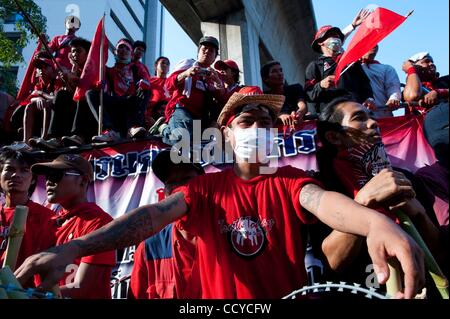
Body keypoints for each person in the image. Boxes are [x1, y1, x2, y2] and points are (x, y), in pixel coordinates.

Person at [15, 91, 424, 299]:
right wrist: (73, 249)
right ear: (226, 134)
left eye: (267, 120)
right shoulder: (203, 189)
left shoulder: (288, 180)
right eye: (248, 120)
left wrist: (373, 221)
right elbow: (151, 217)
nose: (260, 127)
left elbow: (324, 204)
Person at [314, 96, 442, 293]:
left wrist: (420, 215)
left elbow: (441, 253)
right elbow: (331, 263)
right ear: (334, 137)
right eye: (359, 118)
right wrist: (363, 203)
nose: (373, 123)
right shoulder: (321, 186)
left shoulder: (405, 178)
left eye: (371, 116)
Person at [30, 154, 116, 298]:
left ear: (83, 180)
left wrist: (31, 295)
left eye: (56, 175)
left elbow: (83, 287)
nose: (49, 181)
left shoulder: (99, 223)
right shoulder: (49, 223)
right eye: (48, 176)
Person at [128, 148, 204, 299]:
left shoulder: (227, 237)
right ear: (165, 193)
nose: (179, 189)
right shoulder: (149, 248)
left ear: (205, 184)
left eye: (186, 180)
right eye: (171, 183)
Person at [149, 36, 225, 145]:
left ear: (214, 58)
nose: (207, 52)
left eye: (211, 51)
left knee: (204, 143)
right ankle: (164, 128)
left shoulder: (214, 75)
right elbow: (168, 85)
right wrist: (186, 74)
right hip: (182, 110)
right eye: (204, 49)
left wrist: (217, 81)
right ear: (198, 52)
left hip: (201, 117)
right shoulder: (187, 64)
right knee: (182, 139)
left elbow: (221, 98)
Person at [0, 149, 56, 287]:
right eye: (9, 169)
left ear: (33, 180)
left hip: (25, 292)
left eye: (24, 170)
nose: (15, 175)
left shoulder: (46, 217)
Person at [305, 9, 374, 114]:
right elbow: (308, 94)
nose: (335, 38)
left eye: (337, 36)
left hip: (354, 114)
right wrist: (321, 85)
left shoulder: (351, 62)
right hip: (330, 118)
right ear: (320, 42)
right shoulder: (314, 66)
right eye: (330, 35)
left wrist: (369, 98)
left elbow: (365, 84)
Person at [86, 38, 151, 142]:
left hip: (132, 102)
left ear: (131, 54)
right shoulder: (108, 71)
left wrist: (143, 84)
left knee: (146, 91)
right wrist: (99, 85)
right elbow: (101, 85)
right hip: (115, 102)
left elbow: (147, 83)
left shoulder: (137, 68)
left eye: (127, 48)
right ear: (115, 51)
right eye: (120, 47)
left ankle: (134, 127)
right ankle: (109, 131)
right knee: (91, 93)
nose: (123, 50)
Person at [34, 37, 91, 150]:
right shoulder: (73, 70)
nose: (74, 54)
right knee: (61, 94)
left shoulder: (94, 69)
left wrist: (72, 78)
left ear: (87, 54)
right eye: (73, 51)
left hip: (88, 113)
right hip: (74, 110)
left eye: (78, 51)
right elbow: (71, 93)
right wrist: (68, 78)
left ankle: (79, 136)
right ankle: (56, 138)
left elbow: (85, 88)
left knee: (82, 95)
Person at [261, 60, 307, 127]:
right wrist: (280, 116)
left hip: (299, 131)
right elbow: (264, 116)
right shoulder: (264, 97)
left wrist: (299, 113)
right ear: (266, 79)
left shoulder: (295, 88)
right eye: (274, 71)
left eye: (281, 70)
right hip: (276, 134)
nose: (280, 73)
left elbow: (302, 106)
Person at [360, 45, 402, 118]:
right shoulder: (349, 67)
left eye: (375, 43)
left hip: (383, 116)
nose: (374, 45)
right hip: (359, 117)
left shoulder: (387, 68)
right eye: (370, 42)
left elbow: (393, 86)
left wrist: (394, 98)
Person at [146, 56, 171, 128]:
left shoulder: (171, 82)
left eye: (167, 64)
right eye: (163, 63)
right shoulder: (149, 81)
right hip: (151, 117)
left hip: (168, 117)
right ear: (156, 66)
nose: (165, 65)